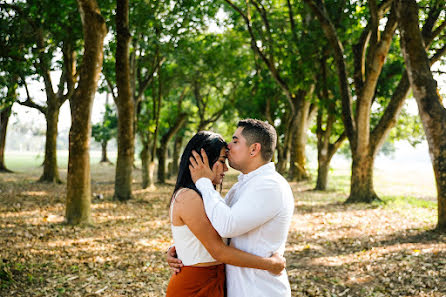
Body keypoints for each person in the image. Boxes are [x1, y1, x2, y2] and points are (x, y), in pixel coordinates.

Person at [168, 119, 295, 297]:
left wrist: (203, 181)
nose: (229, 145)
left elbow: (226, 226)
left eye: (235, 141)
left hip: (260, 289)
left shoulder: (270, 186)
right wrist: (180, 248)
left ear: (254, 149)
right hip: (230, 286)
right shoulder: (240, 187)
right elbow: (215, 230)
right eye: (221, 159)